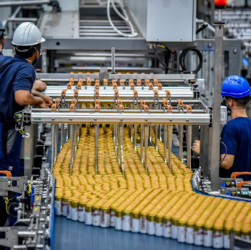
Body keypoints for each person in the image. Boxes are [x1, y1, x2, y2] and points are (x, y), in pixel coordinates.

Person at [0, 22, 52, 228]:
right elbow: (21, 96)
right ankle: (9, 228)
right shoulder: (26, 68)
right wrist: (39, 100)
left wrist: (39, 93)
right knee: (8, 177)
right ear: (37, 50)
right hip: (7, 132)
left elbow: (12, 86)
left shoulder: (6, 64)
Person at [192, 75, 251, 181]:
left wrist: (203, 151)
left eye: (225, 100)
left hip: (233, 189)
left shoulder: (231, 127)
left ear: (231, 102)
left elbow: (226, 162)